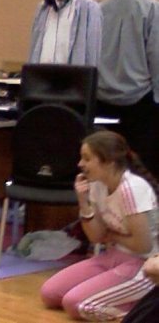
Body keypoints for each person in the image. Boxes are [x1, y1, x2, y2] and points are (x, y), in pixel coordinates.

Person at [40, 130, 159, 321]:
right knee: (50, 293)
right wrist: (83, 201)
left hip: (142, 264)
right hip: (114, 255)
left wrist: (112, 236)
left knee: (76, 304)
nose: (80, 164)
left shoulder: (132, 188)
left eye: (87, 158)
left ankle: (138, 313)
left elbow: (142, 245)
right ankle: (124, 297)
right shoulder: (97, 184)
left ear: (109, 161)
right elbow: (96, 236)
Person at [97, 0, 159, 179]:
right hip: (138, 103)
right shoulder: (152, 9)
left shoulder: (101, 8)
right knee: (144, 163)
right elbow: (155, 55)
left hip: (102, 100)